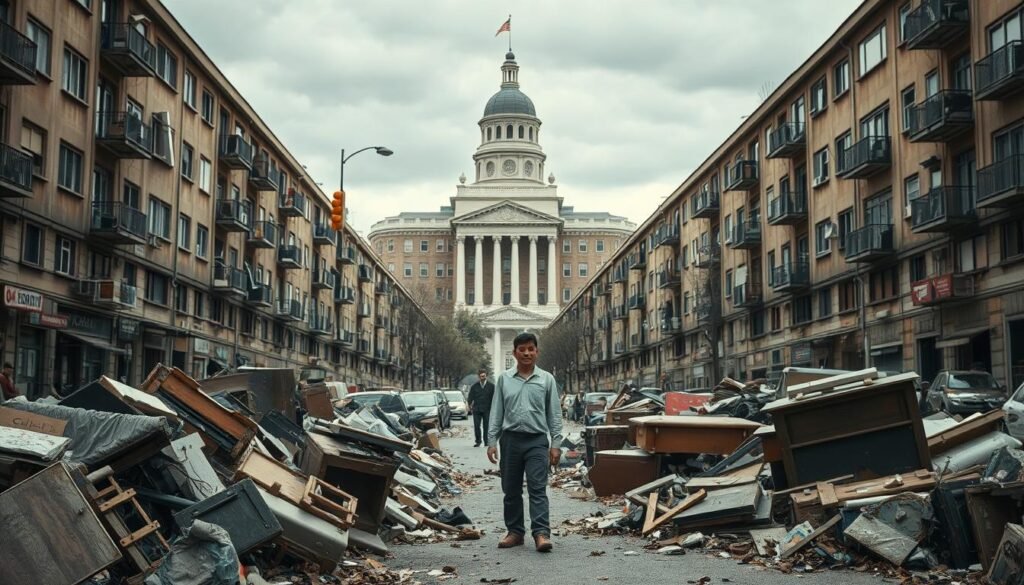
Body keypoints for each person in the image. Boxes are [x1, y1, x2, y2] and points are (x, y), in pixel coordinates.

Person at [486, 332, 562, 553]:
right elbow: (496, 412)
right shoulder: (504, 379)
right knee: (511, 489)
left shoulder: (546, 379)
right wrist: (492, 441)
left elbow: (554, 414)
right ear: (514, 353)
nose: (527, 353)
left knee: (538, 489)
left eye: (531, 349)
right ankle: (515, 532)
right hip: (510, 441)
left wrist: (555, 444)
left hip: (537, 441)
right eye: (522, 349)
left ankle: (541, 534)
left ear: (537, 352)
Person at [467, 369, 495, 447]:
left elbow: (494, 398)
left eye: (484, 376)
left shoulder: (491, 386)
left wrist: (494, 408)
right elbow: (470, 397)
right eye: (481, 376)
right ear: (479, 376)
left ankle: (486, 441)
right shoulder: (474, 386)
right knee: (476, 426)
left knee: (486, 426)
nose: (483, 378)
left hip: (487, 409)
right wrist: (469, 405)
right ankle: (478, 441)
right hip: (477, 409)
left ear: (486, 376)